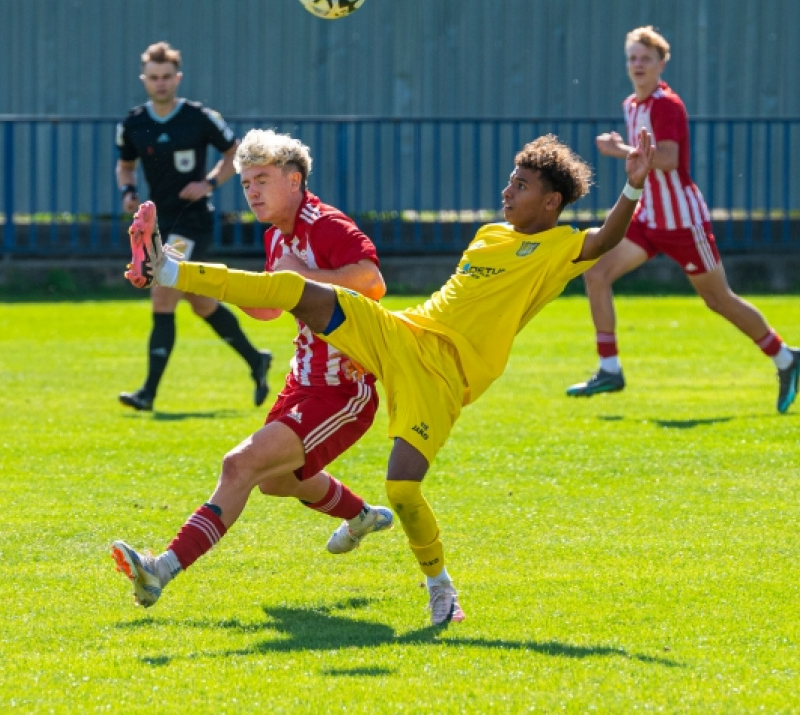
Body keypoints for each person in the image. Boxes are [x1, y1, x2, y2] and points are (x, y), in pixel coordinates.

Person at [121, 127, 656, 626]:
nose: (507, 191)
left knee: (402, 487)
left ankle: (440, 585)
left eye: (520, 185)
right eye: (510, 181)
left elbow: (607, 238)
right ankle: (166, 269)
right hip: (403, 336)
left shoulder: (560, 248)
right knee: (291, 297)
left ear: (551, 202)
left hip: (446, 377)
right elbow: (283, 297)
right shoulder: (489, 233)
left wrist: (633, 186)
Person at [112, 129, 393, 610]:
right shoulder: (277, 236)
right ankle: (362, 516)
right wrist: (207, 281)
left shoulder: (326, 224)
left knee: (238, 465)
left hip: (344, 389)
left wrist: (301, 277)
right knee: (274, 480)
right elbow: (268, 308)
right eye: (245, 184)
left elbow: (372, 281)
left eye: (262, 179)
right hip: (303, 382)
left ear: (295, 180)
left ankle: (160, 569)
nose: (253, 192)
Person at [566, 25, 799, 414]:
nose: (638, 65)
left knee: (718, 299)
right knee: (596, 273)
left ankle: (785, 358)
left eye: (646, 58)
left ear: (661, 63)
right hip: (648, 217)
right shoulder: (631, 105)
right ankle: (609, 368)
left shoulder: (666, 105)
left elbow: (669, 160)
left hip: (682, 222)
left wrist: (617, 150)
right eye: (632, 58)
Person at [116, 41, 271, 412]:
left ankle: (148, 394)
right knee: (201, 303)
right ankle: (256, 360)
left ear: (178, 78)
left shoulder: (200, 117)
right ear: (144, 79)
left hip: (193, 221)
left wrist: (209, 183)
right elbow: (126, 165)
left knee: (162, 290)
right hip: (159, 221)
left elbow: (234, 153)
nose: (160, 83)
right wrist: (128, 191)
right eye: (153, 77)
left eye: (167, 77)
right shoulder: (134, 122)